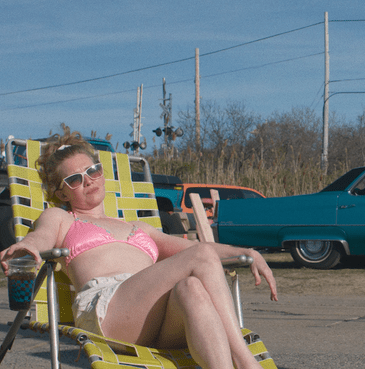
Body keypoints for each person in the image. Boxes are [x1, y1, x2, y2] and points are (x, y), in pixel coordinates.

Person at [0, 133, 278, 369]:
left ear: (102, 173)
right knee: (201, 257)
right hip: (107, 312)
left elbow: (195, 250)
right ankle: (246, 361)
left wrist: (248, 253)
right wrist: (28, 246)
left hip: (155, 319)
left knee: (191, 288)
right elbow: (41, 236)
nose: (88, 180)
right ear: (62, 193)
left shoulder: (139, 227)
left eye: (92, 171)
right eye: (74, 179)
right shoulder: (62, 218)